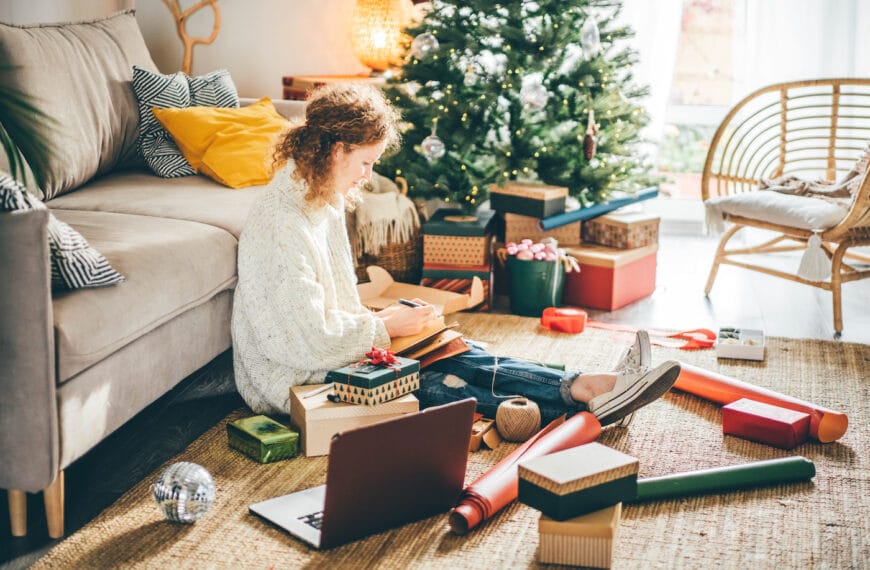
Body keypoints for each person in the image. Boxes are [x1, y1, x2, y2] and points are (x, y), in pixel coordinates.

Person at [231, 83, 680, 427]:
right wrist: (384, 327)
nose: (367, 177)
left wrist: (391, 324)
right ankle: (581, 404)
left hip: (327, 351)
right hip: (291, 379)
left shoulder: (319, 196)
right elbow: (301, 340)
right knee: (428, 381)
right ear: (334, 150)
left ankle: (586, 386)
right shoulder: (282, 225)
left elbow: (327, 313)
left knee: (456, 349)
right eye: (365, 163)